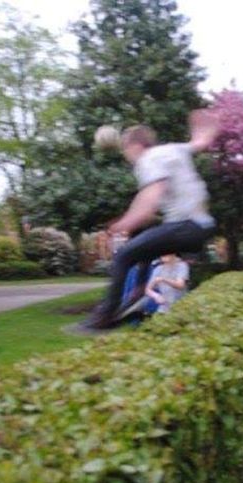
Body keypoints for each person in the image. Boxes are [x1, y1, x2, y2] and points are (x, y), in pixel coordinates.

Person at [81, 110, 220, 330]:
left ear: (134, 146)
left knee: (124, 256)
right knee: (146, 252)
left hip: (184, 226)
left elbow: (153, 193)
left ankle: (104, 317)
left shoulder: (148, 159)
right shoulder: (172, 149)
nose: (128, 157)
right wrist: (206, 127)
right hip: (202, 227)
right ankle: (137, 298)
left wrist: (126, 222)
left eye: (126, 151)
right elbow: (200, 142)